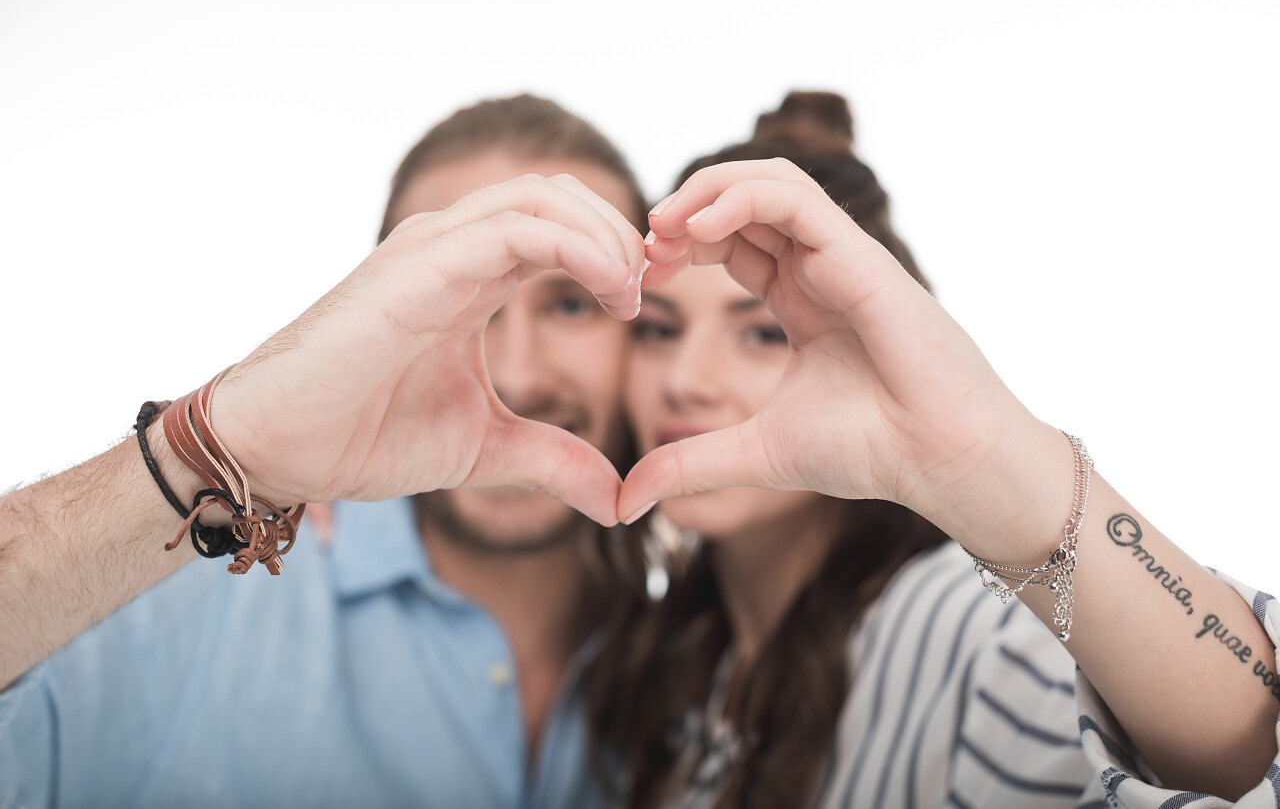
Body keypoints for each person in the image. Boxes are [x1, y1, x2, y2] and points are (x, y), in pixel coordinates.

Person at [588, 93, 1280, 808]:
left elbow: (1252, 767)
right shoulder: (676, 661)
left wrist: (986, 460)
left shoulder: (969, 631)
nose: (686, 381)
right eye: (659, 329)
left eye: (763, 334)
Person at [0, 94, 649, 808]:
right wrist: (216, 451)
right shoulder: (154, 605)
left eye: (571, 304)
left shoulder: (700, 650)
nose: (520, 375)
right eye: (464, 296)